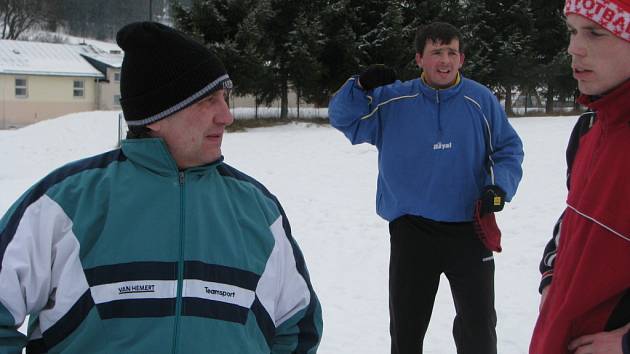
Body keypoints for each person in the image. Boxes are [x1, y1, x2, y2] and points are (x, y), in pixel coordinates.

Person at [0, 21, 322, 353]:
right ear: (155, 114)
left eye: (225, 99)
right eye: (207, 100)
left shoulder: (257, 209)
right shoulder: (64, 202)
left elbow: (298, 327)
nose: (226, 116)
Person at [328, 21, 524, 354]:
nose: (444, 61)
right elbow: (343, 118)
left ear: (461, 58)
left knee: (478, 328)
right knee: (406, 331)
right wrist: (359, 85)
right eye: (436, 53)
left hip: (469, 229)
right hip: (412, 232)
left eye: (451, 52)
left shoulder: (480, 100)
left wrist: (499, 187)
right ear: (420, 59)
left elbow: (508, 149)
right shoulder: (393, 100)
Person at [530, 0, 630, 353]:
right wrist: (552, 278)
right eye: (572, 31)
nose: (574, 48)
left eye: (595, 32)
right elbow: (577, 219)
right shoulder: (589, 127)